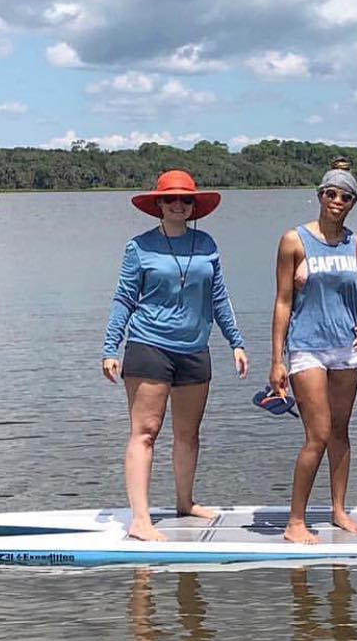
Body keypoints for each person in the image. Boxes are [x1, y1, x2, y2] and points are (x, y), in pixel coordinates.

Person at [103, 170, 248, 542]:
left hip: (194, 349)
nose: (179, 205)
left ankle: (186, 502)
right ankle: (140, 519)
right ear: (159, 205)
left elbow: (218, 297)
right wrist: (110, 348)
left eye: (186, 200)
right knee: (146, 432)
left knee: (188, 434)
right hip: (148, 346)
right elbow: (124, 299)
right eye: (171, 199)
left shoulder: (206, 244)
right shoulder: (140, 247)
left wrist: (236, 342)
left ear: (193, 205)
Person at [270, 160, 357, 544]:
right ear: (320, 196)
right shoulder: (295, 240)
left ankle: (338, 510)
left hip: (346, 351)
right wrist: (277, 359)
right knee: (316, 435)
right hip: (307, 348)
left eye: (346, 196)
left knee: (340, 432)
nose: (337, 201)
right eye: (331, 194)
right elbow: (283, 301)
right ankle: (295, 522)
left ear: (353, 203)